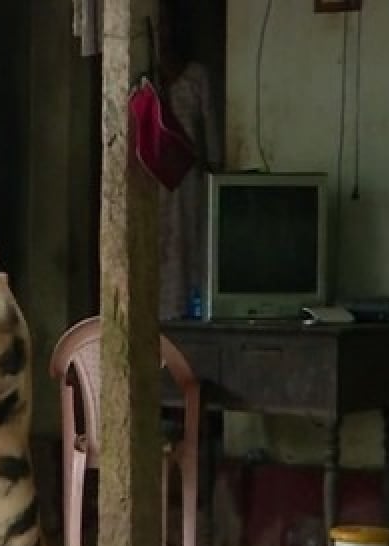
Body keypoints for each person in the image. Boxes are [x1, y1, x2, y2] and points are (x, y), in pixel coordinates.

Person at [156, 1, 222, 321]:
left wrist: (213, 165)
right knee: (162, 247)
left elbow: (209, 125)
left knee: (190, 246)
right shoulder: (149, 76)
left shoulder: (196, 75)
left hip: (189, 177)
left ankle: (189, 314)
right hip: (157, 176)